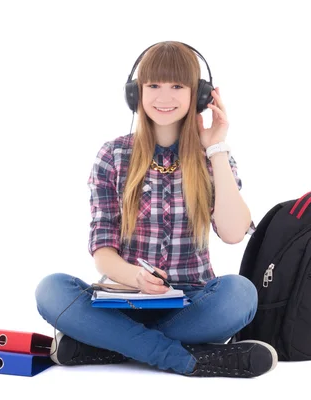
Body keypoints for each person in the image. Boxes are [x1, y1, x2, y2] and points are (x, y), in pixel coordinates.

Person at [35, 41, 277, 378]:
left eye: (177, 86)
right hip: (123, 302)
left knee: (241, 294)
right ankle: (187, 359)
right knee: (51, 289)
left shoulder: (213, 157)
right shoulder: (113, 155)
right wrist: (136, 277)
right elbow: (103, 255)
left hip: (191, 306)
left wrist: (217, 147)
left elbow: (234, 233)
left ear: (201, 95)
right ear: (137, 93)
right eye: (153, 86)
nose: (164, 97)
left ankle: (107, 346)